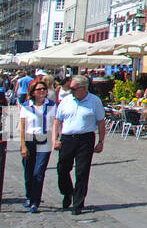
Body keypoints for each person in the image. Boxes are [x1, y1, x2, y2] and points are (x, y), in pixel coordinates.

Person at [50, 75, 105, 215]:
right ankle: (67, 192)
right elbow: (57, 120)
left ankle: (78, 203)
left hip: (85, 139)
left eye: (74, 88)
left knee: (82, 171)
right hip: (67, 138)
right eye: (70, 88)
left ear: (83, 88)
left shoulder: (94, 101)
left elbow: (101, 122)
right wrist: (55, 139)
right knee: (62, 168)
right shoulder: (66, 101)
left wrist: (101, 141)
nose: (71, 91)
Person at [18, 80, 55, 213]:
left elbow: (55, 123)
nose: (42, 91)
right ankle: (29, 196)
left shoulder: (51, 105)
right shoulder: (26, 106)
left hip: (44, 140)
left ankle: (35, 202)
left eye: (44, 89)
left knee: (38, 173)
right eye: (39, 89)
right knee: (28, 173)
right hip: (29, 139)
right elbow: (22, 127)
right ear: (33, 92)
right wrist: (23, 145)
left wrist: (55, 139)